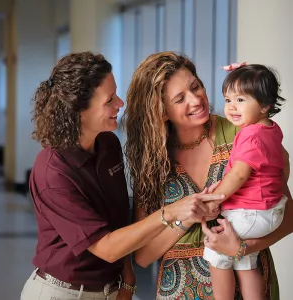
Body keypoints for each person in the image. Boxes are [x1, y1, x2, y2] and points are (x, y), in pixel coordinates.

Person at [20, 51, 224, 300]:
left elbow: (119, 225)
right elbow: (107, 247)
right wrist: (171, 212)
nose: (120, 103)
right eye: (109, 100)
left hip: (111, 290)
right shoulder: (53, 172)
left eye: (116, 93)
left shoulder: (108, 144)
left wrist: (127, 282)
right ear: (78, 111)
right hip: (61, 293)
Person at [123, 51, 293, 300]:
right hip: (181, 292)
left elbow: (288, 214)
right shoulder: (153, 163)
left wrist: (243, 248)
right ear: (161, 111)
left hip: (249, 287)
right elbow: (144, 255)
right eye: (180, 98)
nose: (196, 99)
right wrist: (189, 216)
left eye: (196, 86)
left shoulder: (244, 132)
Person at [202, 63, 289, 300]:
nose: (231, 107)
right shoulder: (271, 129)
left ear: (265, 105)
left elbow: (238, 174)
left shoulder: (250, 135)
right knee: (245, 262)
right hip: (271, 210)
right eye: (228, 99)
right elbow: (285, 162)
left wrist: (215, 198)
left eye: (240, 100)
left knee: (216, 252)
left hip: (250, 214)